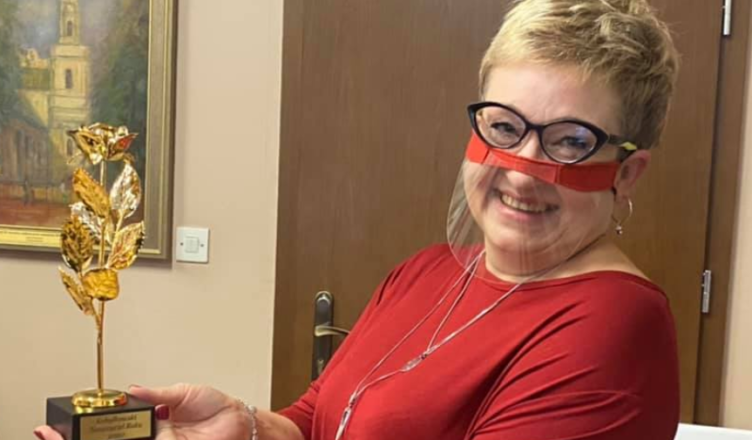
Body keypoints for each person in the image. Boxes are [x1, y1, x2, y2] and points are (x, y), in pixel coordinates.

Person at [35, 0, 681, 439]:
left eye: (569, 141)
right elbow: (321, 420)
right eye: (505, 127)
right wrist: (251, 427)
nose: (522, 169)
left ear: (627, 173)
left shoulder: (614, 324)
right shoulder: (426, 273)